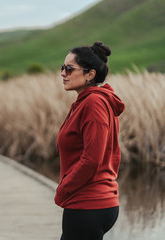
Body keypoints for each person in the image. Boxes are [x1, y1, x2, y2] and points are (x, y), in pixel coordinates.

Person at [55, 41, 125, 240]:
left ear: (90, 74)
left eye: (69, 69)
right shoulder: (86, 102)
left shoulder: (94, 104)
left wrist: (63, 188)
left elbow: (92, 158)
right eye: (62, 68)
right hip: (89, 202)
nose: (62, 73)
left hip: (89, 203)